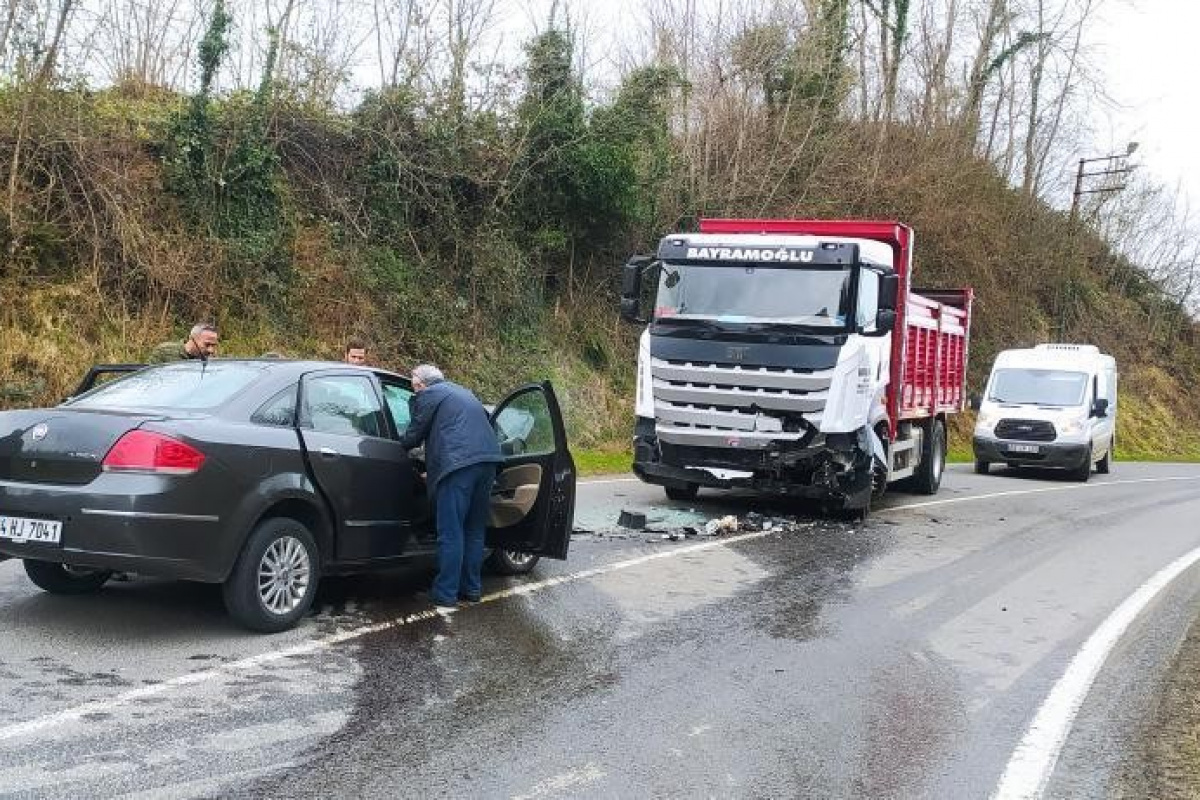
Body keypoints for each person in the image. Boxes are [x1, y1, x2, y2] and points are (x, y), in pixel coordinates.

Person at [400, 364, 503, 610]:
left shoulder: (429, 395)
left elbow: (412, 437)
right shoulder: (464, 392)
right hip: (488, 462)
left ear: (421, 384)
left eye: (414, 384)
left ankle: (446, 593)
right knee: (474, 529)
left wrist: (396, 444)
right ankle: (472, 589)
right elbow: (491, 427)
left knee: (451, 531)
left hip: (458, 467)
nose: (414, 389)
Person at [149, 323, 219, 363]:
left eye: (213, 345)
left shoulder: (211, 361)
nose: (211, 350)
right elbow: (151, 376)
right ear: (192, 339)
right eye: (207, 344)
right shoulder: (165, 351)